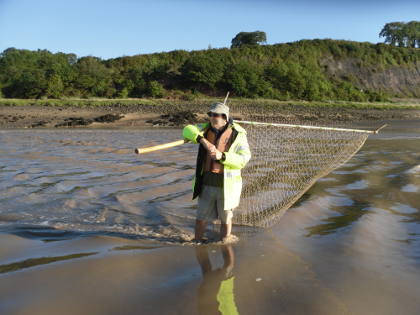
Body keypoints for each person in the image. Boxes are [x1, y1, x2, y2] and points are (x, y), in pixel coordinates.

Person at [182, 102, 251, 242]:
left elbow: (244, 159)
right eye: (211, 114)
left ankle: (225, 243)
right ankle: (197, 241)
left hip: (227, 186)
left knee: (226, 219)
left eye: (216, 115)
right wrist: (203, 140)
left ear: (225, 117)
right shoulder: (205, 129)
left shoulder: (239, 134)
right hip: (206, 183)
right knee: (201, 217)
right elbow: (187, 129)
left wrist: (222, 156)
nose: (212, 117)